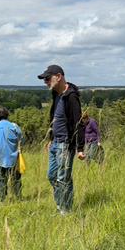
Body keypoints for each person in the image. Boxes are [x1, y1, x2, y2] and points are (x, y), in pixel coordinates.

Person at [38, 64, 85, 214]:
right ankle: (61, 206)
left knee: (63, 177)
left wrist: (80, 148)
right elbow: (55, 119)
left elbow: (78, 122)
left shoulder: (71, 96)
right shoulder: (56, 95)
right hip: (55, 143)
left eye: (47, 78)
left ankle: (65, 210)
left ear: (58, 77)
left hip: (66, 144)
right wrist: (51, 138)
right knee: (52, 176)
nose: (45, 82)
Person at [0, 108, 23, 202]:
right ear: (7, 115)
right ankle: (18, 198)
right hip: (13, 157)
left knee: (0, 179)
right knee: (16, 179)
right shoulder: (14, 126)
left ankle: (2, 199)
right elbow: (21, 138)